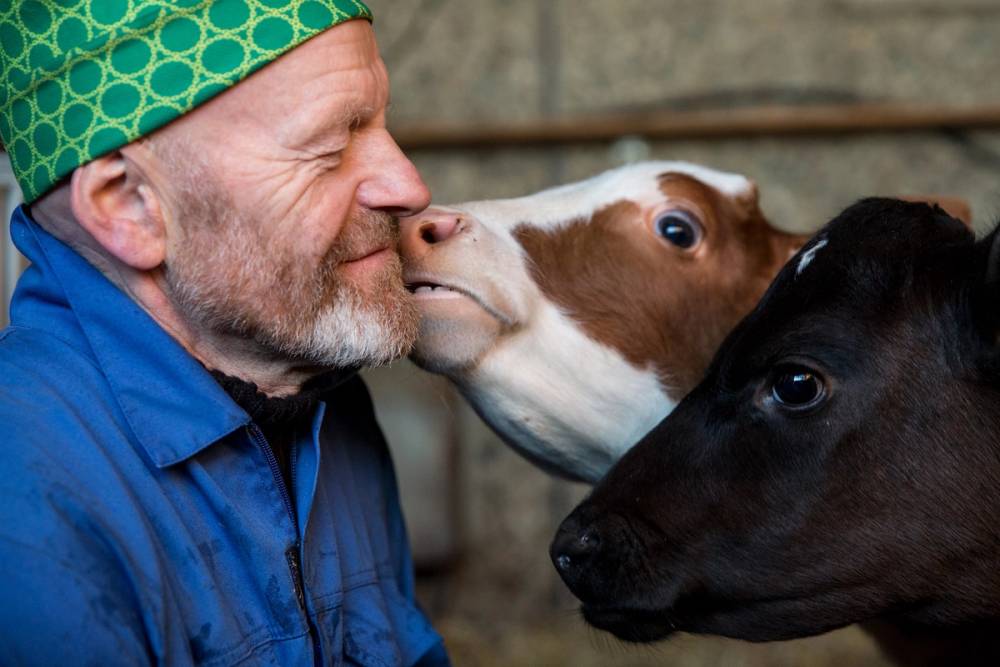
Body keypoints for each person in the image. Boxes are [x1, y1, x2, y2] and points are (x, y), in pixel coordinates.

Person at [0, 1, 450, 664]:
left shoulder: (320, 395)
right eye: (329, 150)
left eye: (382, 125)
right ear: (128, 206)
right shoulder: (27, 509)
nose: (409, 185)